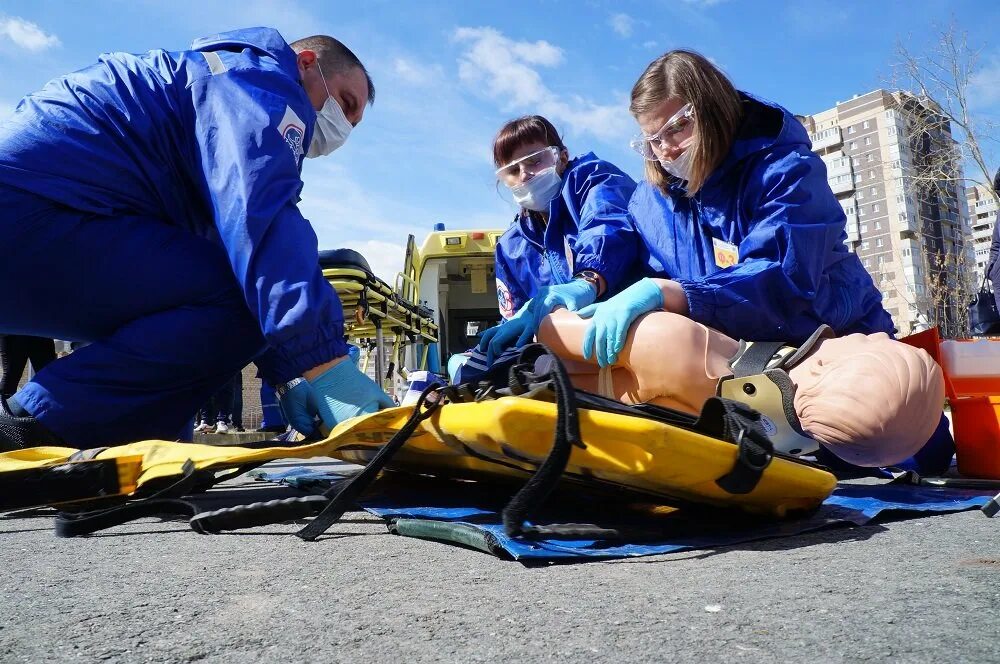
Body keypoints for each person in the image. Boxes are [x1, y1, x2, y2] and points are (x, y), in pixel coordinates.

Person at [0, 28, 392, 451]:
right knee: (237, 299)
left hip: (41, 219)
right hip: (33, 209)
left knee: (181, 356)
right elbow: (263, 218)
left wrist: (287, 372)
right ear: (307, 63)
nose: (340, 129)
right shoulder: (253, 81)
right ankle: (31, 431)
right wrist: (326, 363)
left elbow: (233, 257)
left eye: (352, 125)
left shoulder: (202, 92)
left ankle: (116, 458)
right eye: (344, 104)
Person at [577, 50, 895, 368]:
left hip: (838, 349)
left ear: (711, 108)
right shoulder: (652, 202)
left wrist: (672, 293)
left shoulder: (786, 172)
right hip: (743, 364)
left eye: (677, 127)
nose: (667, 150)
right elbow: (624, 245)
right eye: (653, 140)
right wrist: (589, 282)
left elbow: (780, 278)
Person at [538, 309, 945, 468]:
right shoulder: (773, 461)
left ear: (820, 366)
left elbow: (549, 333)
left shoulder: (676, 344)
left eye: (873, 343)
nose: (875, 334)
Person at [477, 115, 639, 362]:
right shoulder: (510, 246)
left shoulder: (593, 180)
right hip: (565, 356)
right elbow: (513, 320)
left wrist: (587, 281)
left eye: (534, 161)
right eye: (512, 170)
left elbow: (607, 225)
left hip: (627, 336)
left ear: (561, 157)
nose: (525, 175)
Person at [0, 336, 56, 400]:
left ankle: (51, 407)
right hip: (14, 333)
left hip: (40, 333)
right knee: (10, 378)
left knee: (48, 378)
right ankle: (4, 406)